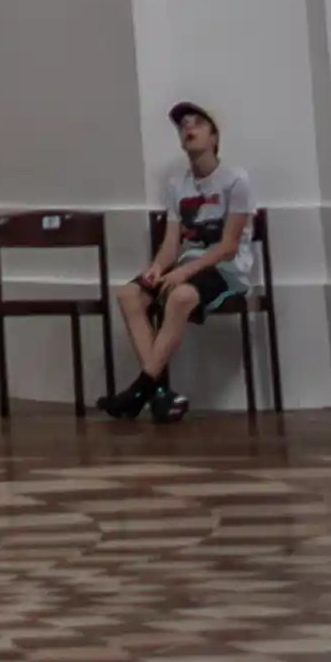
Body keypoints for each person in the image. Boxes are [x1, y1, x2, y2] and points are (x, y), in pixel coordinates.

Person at [105, 100, 256, 421]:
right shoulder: (177, 184)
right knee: (129, 294)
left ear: (214, 137)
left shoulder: (236, 180)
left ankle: (139, 391)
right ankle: (158, 393)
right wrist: (158, 268)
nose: (188, 129)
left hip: (225, 269)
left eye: (197, 123)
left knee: (181, 295)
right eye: (183, 125)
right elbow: (171, 243)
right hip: (187, 264)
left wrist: (184, 272)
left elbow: (229, 246)